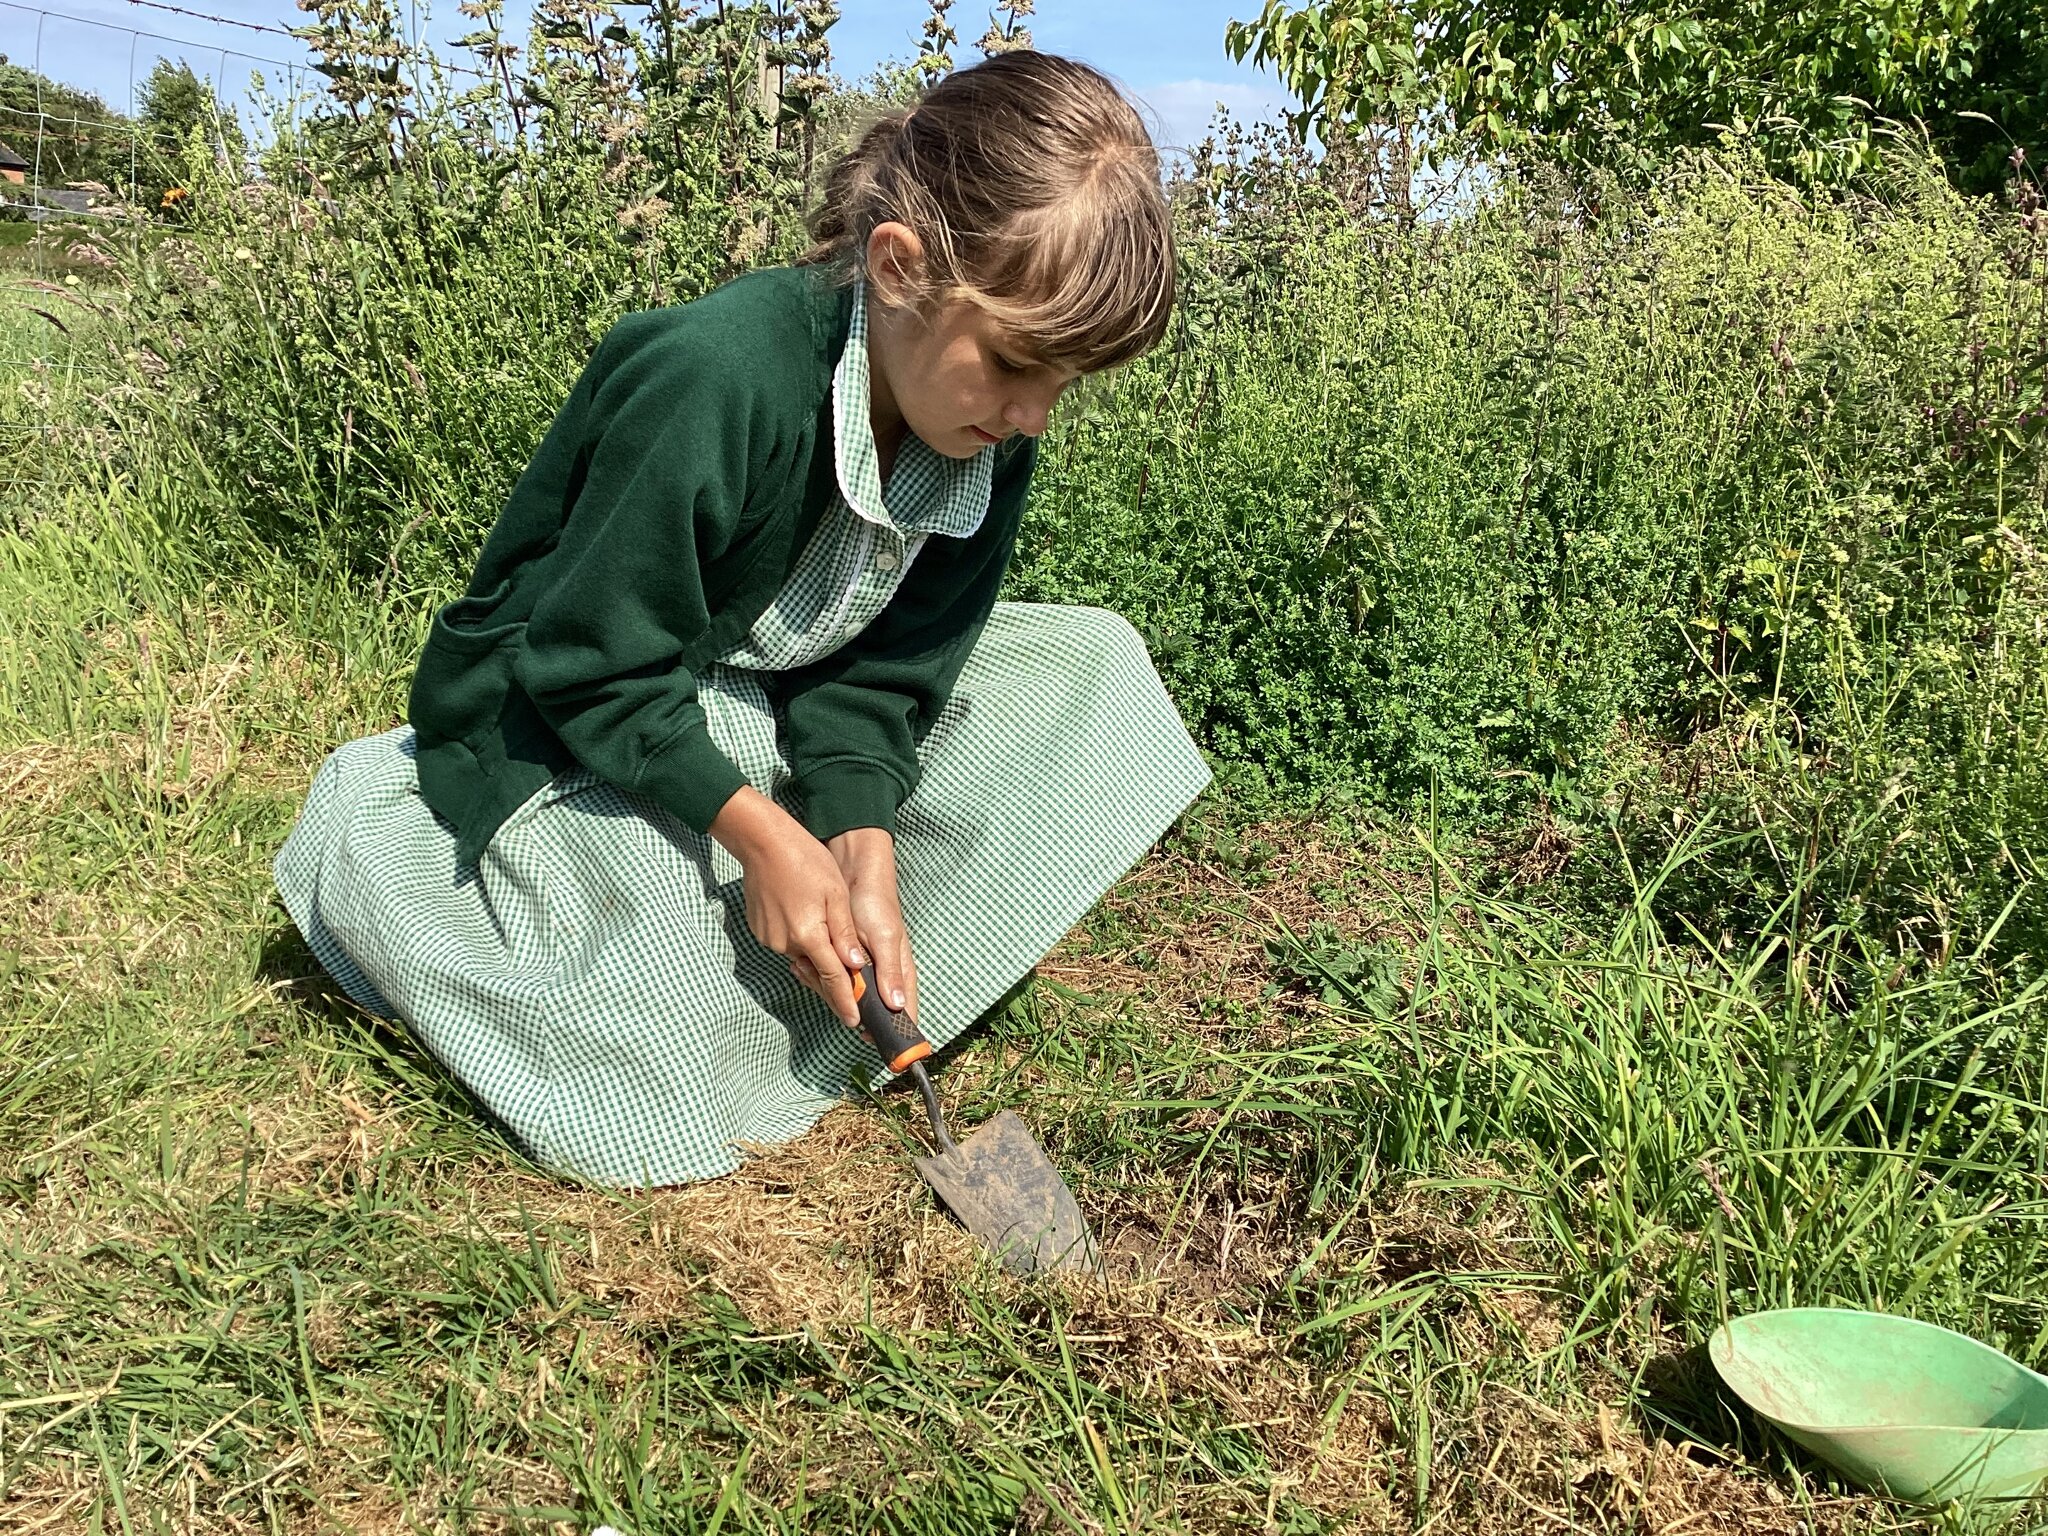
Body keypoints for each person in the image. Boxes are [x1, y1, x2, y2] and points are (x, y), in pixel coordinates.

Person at [274, 51, 1211, 1187]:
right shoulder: (717, 373)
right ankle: (472, 895)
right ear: (899, 266)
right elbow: (586, 660)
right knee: (655, 1005)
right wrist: (762, 835)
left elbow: (888, 674)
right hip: (571, 708)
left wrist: (859, 831)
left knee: (1094, 669)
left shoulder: (989, 429)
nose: (1034, 418)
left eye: (1066, 385)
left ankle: (818, 929)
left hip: (764, 687)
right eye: (1016, 365)